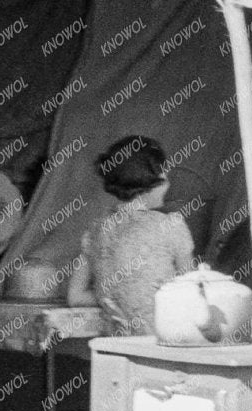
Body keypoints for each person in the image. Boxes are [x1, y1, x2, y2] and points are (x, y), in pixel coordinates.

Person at [66, 135, 196, 336]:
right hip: (164, 343)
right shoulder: (171, 225)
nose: (168, 182)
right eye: (164, 173)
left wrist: (115, 298)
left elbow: (75, 297)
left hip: (118, 346)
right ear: (149, 179)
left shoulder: (94, 231)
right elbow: (193, 293)